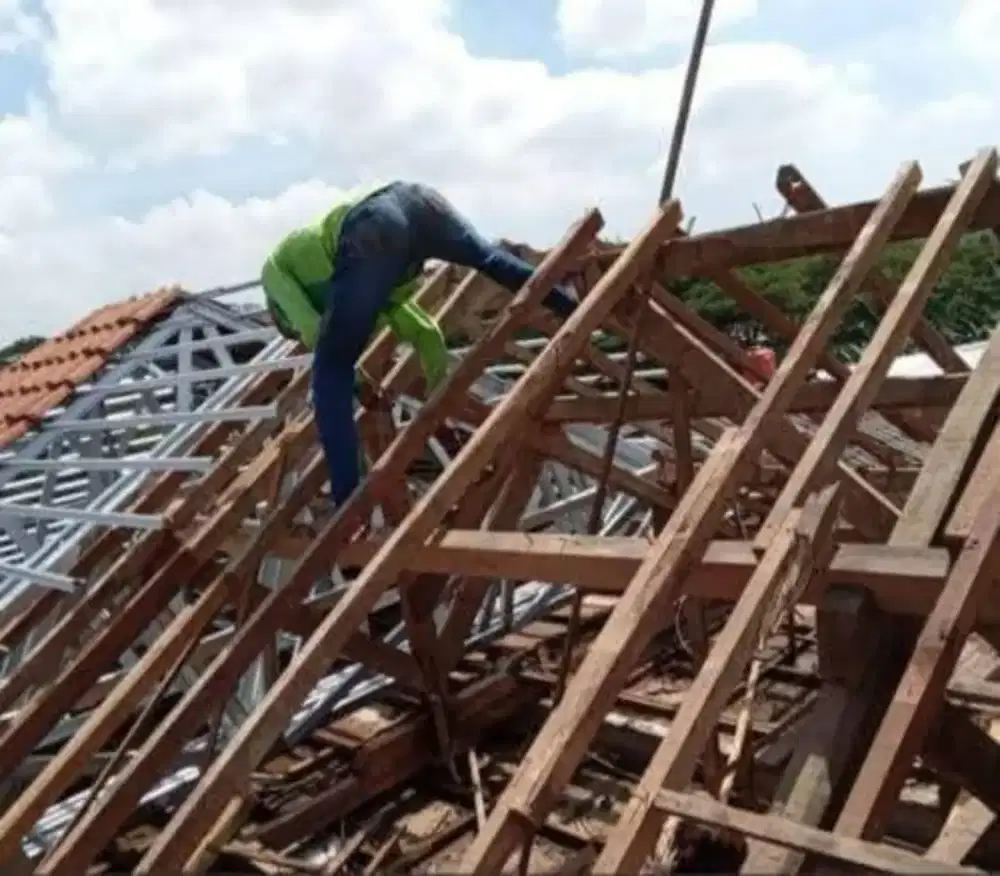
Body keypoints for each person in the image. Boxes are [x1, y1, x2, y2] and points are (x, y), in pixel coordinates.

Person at [261, 181, 580, 507]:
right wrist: (438, 406)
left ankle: (347, 501)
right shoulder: (368, 289)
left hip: (370, 227)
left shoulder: (274, 272)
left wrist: (357, 385)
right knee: (490, 259)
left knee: (330, 374)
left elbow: (314, 332)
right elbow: (427, 334)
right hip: (418, 201)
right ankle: (574, 308)